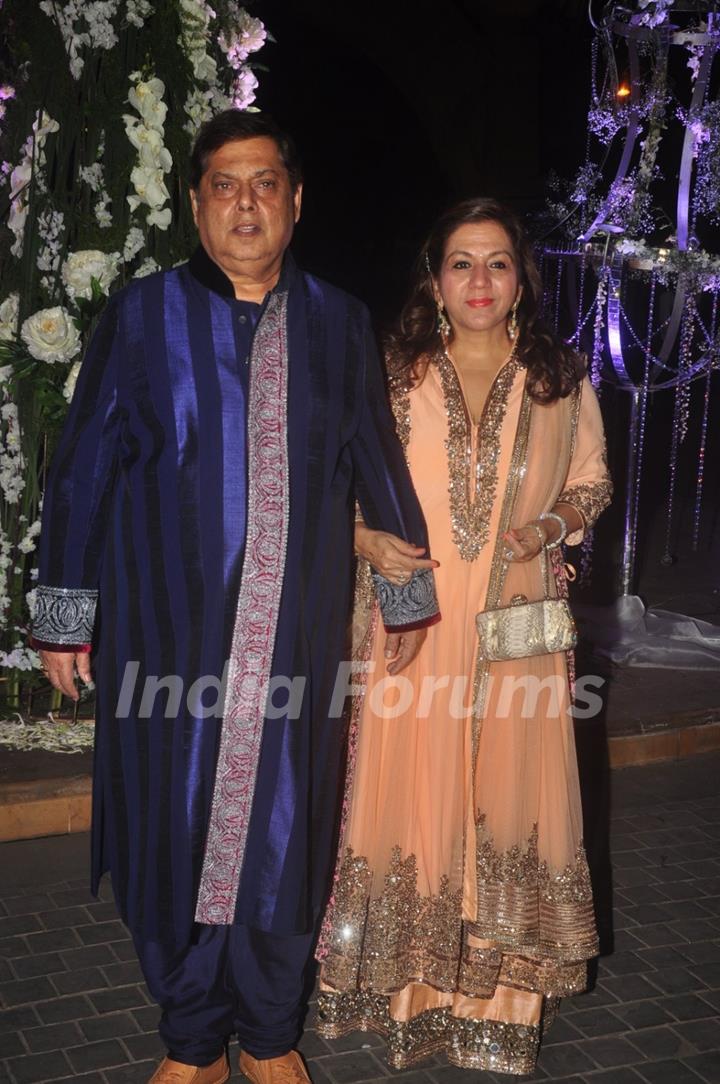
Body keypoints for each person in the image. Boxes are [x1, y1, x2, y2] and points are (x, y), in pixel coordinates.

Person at [31, 111, 440, 1084]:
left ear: (296, 204)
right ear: (195, 204)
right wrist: (63, 616)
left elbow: (373, 456)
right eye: (225, 183)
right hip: (164, 641)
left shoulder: (338, 321)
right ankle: (188, 1037)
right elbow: (83, 470)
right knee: (169, 829)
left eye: (266, 183)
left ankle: (267, 1032)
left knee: (286, 837)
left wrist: (408, 596)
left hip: (292, 645)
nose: (246, 202)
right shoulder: (142, 317)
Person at [315, 198, 612, 1075]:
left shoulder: (559, 377)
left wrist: (550, 529)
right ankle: (406, 991)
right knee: (409, 793)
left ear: (522, 280)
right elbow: (342, 475)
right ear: (434, 280)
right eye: (460, 263)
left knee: (514, 797)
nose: (479, 280)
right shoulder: (394, 372)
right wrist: (365, 542)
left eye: (497, 263)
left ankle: (500, 1006)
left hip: (517, 624)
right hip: (413, 620)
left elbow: (590, 482)